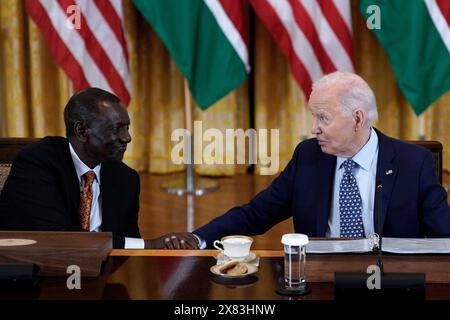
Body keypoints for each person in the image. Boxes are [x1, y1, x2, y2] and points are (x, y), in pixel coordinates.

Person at [165, 71, 450, 249]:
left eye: (323, 117)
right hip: (317, 280)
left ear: (358, 118)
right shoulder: (309, 156)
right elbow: (256, 213)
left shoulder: (414, 163)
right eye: (313, 116)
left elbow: (444, 238)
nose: (314, 128)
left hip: (390, 285)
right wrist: (198, 238)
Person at [0, 88, 197, 249]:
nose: (127, 137)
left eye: (127, 127)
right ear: (82, 131)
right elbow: (59, 238)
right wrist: (151, 244)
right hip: (37, 274)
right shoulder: (37, 162)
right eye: (115, 129)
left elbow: (128, 244)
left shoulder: (126, 178)